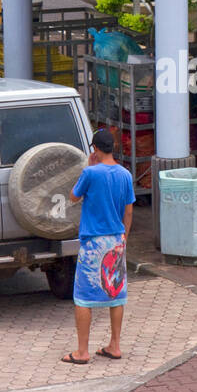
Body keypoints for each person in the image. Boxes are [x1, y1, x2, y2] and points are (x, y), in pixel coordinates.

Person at [61, 129, 135, 365]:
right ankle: (115, 345)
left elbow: (73, 197)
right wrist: (124, 237)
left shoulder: (90, 173)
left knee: (83, 297)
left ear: (95, 148)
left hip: (94, 242)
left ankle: (82, 351)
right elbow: (129, 210)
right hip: (116, 240)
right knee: (116, 295)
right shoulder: (125, 175)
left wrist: (89, 165)